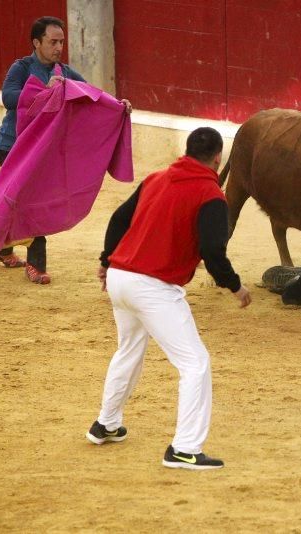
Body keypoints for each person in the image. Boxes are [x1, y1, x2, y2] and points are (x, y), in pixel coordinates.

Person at [87, 127, 251, 470]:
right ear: (217, 157)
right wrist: (235, 286)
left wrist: (106, 262)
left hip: (121, 277)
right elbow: (212, 251)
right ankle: (185, 448)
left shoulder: (156, 178)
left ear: (187, 151)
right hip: (153, 287)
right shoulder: (210, 195)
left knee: (129, 350)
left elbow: (119, 219)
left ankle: (107, 423)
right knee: (195, 363)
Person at [0, 16, 132, 284]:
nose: (58, 47)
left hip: (41, 154)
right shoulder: (21, 68)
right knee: (32, 202)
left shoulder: (64, 73)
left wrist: (118, 106)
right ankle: (35, 265)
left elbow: (92, 96)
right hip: (12, 148)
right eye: (53, 42)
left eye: (61, 42)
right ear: (36, 43)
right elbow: (8, 98)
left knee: (19, 202)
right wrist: (44, 91)